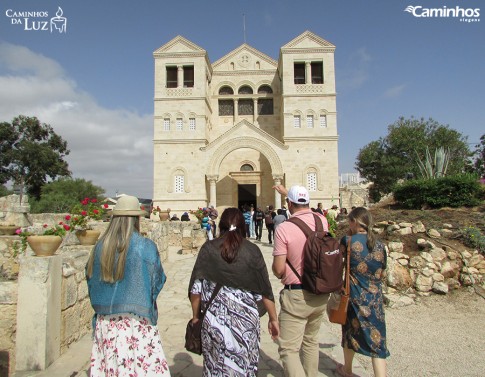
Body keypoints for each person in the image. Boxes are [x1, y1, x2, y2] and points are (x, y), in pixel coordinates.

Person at [188, 208, 279, 376]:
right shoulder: (252, 251)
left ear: (221, 225)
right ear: (243, 226)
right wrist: (273, 319)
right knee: (244, 367)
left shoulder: (208, 249)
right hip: (245, 325)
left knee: (214, 368)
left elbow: (196, 289)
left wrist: (195, 317)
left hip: (214, 322)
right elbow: (265, 289)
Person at [86, 195, 171, 376]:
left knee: (111, 366)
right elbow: (157, 279)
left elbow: (90, 279)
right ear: (136, 218)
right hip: (136, 322)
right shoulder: (145, 246)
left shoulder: (100, 247)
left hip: (106, 322)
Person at [272, 185, 329, 377]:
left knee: (288, 349)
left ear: (289, 203)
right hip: (321, 292)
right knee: (311, 341)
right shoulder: (322, 221)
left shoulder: (284, 228)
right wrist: (286, 192)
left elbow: (279, 269)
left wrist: (279, 272)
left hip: (297, 295)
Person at [336, 207, 389, 377]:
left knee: (350, 333)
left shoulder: (348, 241)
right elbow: (383, 272)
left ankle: (347, 370)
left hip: (354, 296)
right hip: (375, 298)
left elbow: (338, 262)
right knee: (377, 340)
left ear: (354, 222)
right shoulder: (380, 245)